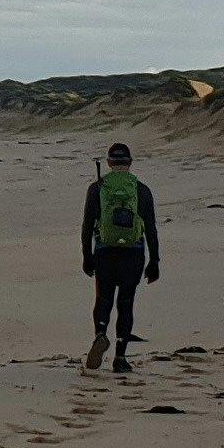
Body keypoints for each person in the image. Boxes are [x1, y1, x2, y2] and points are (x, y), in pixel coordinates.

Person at [80, 141, 162, 372]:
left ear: (108, 163)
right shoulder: (141, 190)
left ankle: (100, 333)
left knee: (103, 299)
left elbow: (87, 226)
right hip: (134, 254)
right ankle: (120, 357)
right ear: (130, 163)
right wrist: (154, 261)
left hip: (105, 252)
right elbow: (151, 228)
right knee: (126, 303)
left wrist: (87, 256)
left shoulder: (97, 188)